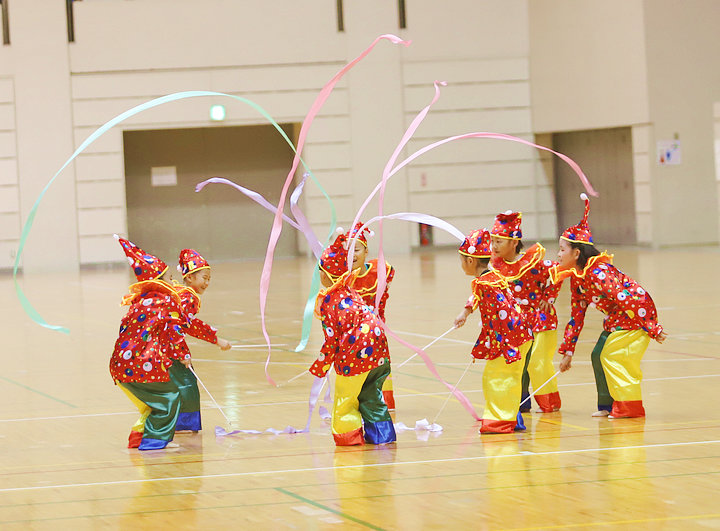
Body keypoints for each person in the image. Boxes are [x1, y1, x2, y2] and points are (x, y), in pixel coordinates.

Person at [550, 194, 667, 418]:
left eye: (562, 249)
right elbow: (576, 316)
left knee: (613, 356)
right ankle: (607, 405)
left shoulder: (598, 273)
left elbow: (625, 299)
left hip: (636, 312)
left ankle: (629, 406)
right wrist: (568, 352)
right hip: (618, 315)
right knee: (598, 355)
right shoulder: (578, 278)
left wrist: (652, 327)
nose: (558, 254)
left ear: (576, 253)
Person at [308, 229, 396, 446]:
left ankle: (349, 437)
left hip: (356, 357)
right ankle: (383, 435)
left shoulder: (329, 301)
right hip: (380, 352)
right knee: (371, 395)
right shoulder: (352, 292)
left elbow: (331, 340)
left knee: (345, 397)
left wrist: (321, 366)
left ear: (326, 275)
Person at [110, 236, 187, 450]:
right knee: (169, 397)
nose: (173, 282)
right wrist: (183, 355)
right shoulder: (165, 301)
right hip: (141, 365)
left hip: (119, 366)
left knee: (150, 405)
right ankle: (155, 440)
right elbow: (174, 331)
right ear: (158, 281)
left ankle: (138, 437)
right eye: (170, 278)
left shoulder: (139, 302)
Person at [454, 229, 532, 433]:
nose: (461, 265)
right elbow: (477, 296)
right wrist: (466, 312)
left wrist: (506, 344)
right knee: (508, 378)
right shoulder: (491, 277)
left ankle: (499, 421)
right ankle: (513, 419)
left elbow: (503, 310)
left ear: (470, 261)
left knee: (496, 377)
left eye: (462, 261)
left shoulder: (487, 284)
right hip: (520, 334)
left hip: (510, 337)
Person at [489, 211, 562, 413]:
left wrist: (549, 297)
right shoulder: (496, 266)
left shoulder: (532, 263)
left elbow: (558, 271)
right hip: (516, 322)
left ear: (514, 242)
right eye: (492, 241)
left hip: (540, 319)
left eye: (499, 242)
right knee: (517, 361)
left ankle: (550, 403)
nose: (494, 246)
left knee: (538, 362)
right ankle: (521, 401)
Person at [170, 248, 232, 432]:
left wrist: (216, 339)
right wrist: (182, 352)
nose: (207, 283)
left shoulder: (180, 292)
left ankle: (172, 422)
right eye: (204, 278)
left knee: (174, 384)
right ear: (189, 277)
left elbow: (186, 323)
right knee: (186, 382)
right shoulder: (188, 297)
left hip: (161, 346)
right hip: (168, 347)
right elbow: (179, 325)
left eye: (209, 279)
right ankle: (181, 424)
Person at [346, 222, 396, 409]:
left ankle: (385, 402)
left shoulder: (379, 271)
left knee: (380, 365)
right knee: (355, 367)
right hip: (352, 335)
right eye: (348, 250)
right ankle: (356, 401)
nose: (352, 254)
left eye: (356, 249)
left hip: (376, 332)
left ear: (366, 251)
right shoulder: (343, 278)